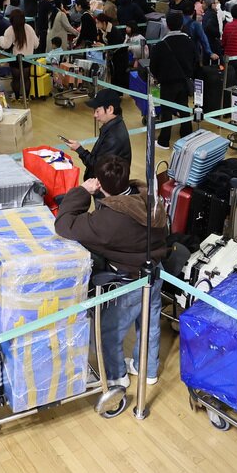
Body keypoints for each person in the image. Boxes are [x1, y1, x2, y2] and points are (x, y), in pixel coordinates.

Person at [54, 155, 167, 389]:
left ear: (101, 183)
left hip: (131, 280)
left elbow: (64, 225)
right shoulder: (148, 196)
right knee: (149, 324)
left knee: (108, 331)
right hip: (155, 271)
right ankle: (147, 369)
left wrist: (83, 191)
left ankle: (116, 378)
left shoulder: (111, 220)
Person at [148, 11, 198, 148]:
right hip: (184, 81)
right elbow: (195, 61)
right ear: (181, 24)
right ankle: (187, 136)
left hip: (167, 83)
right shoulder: (189, 42)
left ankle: (164, 140)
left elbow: (153, 66)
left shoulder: (161, 45)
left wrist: (160, 77)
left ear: (167, 26)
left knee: (166, 111)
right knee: (184, 108)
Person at [65, 89, 130, 180]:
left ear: (110, 109)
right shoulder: (113, 126)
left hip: (107, 188)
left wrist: (79, 150)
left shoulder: (114, 137)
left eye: (97, 111)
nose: (94, 115)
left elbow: (97, 165)